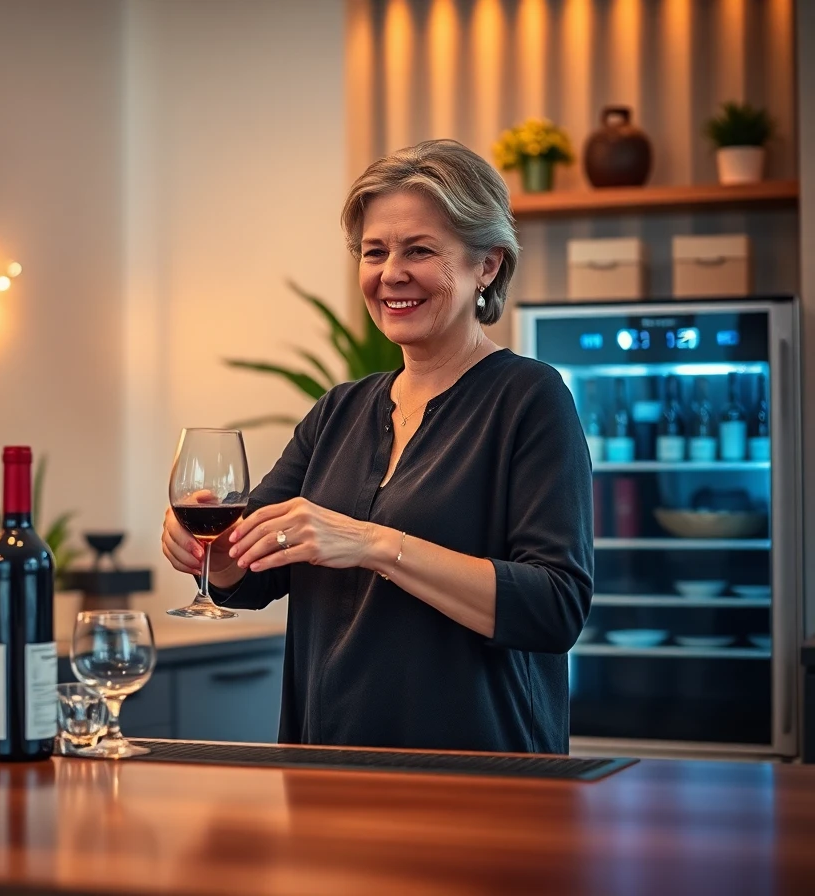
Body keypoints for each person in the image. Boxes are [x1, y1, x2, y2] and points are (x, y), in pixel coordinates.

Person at [160, 139, 593, 754]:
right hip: (326, 763)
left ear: (487, 265)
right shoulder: (341, 409)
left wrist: (373, 543)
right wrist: (204, 550)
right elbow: (249, 569)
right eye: (375, 252)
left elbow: (554, 607)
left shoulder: (529, 398)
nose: (392, 273)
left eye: (420, 250)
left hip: (482, 773)